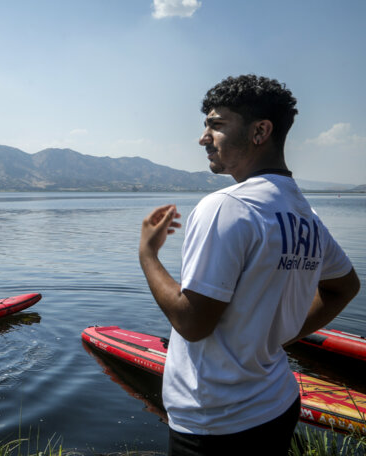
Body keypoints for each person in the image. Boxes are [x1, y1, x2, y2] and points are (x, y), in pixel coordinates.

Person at [138, 75, 360, 455]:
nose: (203, 137)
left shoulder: (228, 206)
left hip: (215, 423)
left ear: (260, 131)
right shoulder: (305, 214)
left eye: (216, 125)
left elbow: (192, 322)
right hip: (276, 403)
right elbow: (345, 286)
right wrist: (278, 336)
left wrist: (148, 255)